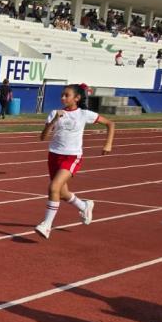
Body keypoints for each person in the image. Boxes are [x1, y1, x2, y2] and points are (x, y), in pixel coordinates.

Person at [34, 83, 115, 239]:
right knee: (62, 193)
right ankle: (84, 206)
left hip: (72, 156)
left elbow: (110, 124)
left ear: (77, 98)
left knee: (53, 187)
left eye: (67, 95)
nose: (63, 98)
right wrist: (54, 120)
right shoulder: (54, 113)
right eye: (62, 95)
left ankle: (47, 225)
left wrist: (108, 143)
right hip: (54, 156)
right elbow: (43, 137)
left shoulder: (84, 114)